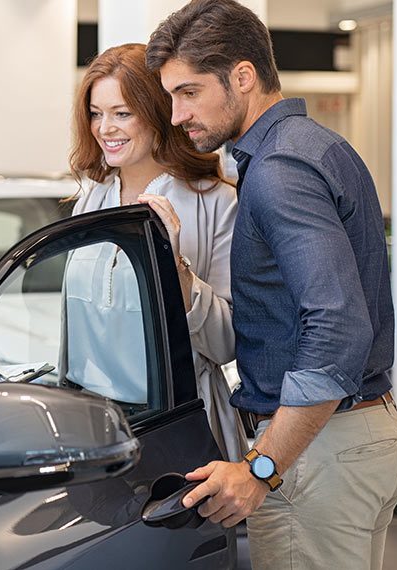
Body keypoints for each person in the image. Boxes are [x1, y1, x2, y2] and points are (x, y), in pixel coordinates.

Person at [146, 1, 397, 567]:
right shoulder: (316, 145)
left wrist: (261, 466)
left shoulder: (278, 170)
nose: (175, 114)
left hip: (317, 452)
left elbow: (338, 326)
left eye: (188, 92)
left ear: (242, 76)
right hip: (360, 435)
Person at [65, 43, 247, 462]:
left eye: (122, 113)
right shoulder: (91, 201)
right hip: (95, 431)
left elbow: (227, 344)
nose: (105, 128)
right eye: (96, 113)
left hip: (178, 425)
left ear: (159, 112)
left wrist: (177, 271)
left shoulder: (216, 203)